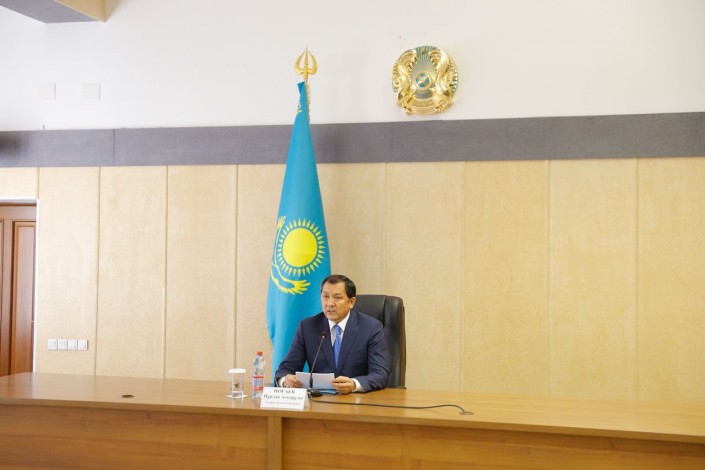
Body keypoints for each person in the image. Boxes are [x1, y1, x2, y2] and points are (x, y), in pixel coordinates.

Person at [275, 274, 389, 394]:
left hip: (356, 400)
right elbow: (286, 368)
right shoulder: (308, 327)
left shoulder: (371, 327)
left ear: (351, 302)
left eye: (337, 298)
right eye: (325, 297)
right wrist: (285, 380)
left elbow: (380, 374)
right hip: (319, 400)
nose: (329, 303)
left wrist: (354, 384)